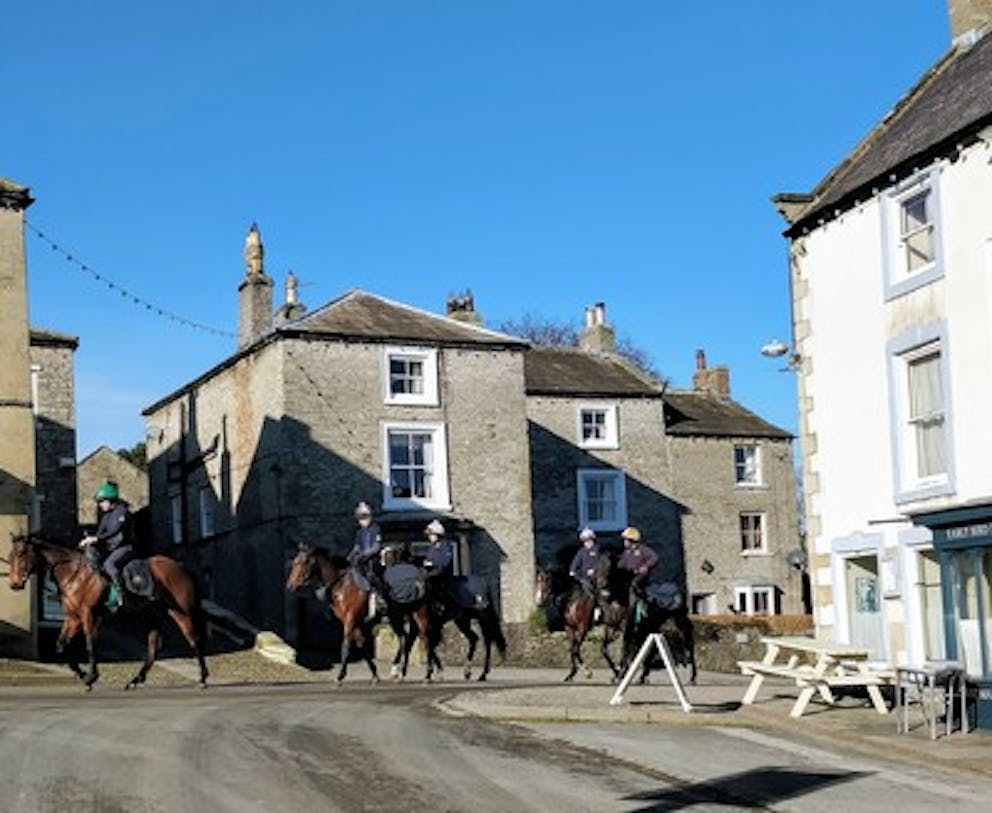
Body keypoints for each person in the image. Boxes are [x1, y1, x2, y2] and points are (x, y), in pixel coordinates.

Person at [78, 482, 133, 613]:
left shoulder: (122, 512)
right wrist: (89, 540)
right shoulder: (106, 516)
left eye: (102, 502)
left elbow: (115, 530)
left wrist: (96, 539)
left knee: (109, 564)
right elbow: (100, 533)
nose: (100, 505)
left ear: (111, 501)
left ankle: (121, 595)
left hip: (125, 548)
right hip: (111, 549)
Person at [347, 502, 383, 616]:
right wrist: (350, 557)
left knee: (372, 577)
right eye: (360, 519)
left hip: (373, 561)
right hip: (361, 561)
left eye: (364, 518)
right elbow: (357, 547)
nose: (362, 521)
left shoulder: (376, 529)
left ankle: (379, 598)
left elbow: (376, 547)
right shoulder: (359, 532)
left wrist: (365, 555)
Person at [617, 526, 657, 607]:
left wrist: (645, 566)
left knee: (634, 586)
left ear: (632, 540)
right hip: (628, 576)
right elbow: (621, 564)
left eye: (626, 540)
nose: (624, 542)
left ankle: (637, 608)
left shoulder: (643, 550)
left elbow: (654, 557)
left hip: (640, 577)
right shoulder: (626, 552)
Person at [569, 527, 602, 621]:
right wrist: (572, 570)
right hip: (584, 578)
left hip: (596, 578)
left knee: (595, 592)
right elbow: (576, 562)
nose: (587, 543)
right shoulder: (581, 551)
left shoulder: (598, 550)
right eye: (585, 541)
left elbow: (602, 563)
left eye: (589, 540)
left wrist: (594, 570)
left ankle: (597, 608)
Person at [422, 519, 454, 607]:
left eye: (431, 535)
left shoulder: (445, 546)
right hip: (431, 574)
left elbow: (445, 563)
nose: (429, 537)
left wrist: (432, 566)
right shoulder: (432, 547)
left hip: (442, 576)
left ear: (438, 535)